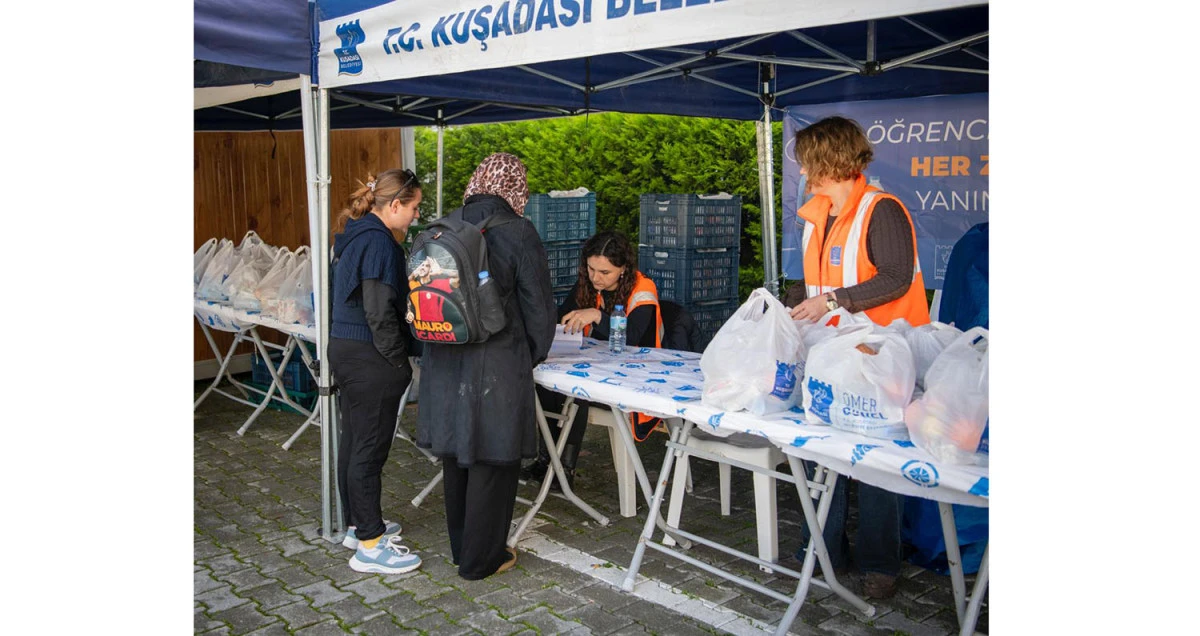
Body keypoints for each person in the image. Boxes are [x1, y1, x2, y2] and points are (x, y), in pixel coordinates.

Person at [787, 116, 931, 599]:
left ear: (831, 162)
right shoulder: (818, 213)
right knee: (820, 451)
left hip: (881, 352)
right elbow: (818, 280)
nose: (804, 174)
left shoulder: (881, 209)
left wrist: (830, 302)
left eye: (810, 164)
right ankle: (823, 548)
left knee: (874, 461)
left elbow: (893, 278)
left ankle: (879, 564)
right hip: (830, 353)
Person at [415, 153, 557, 580]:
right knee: (495, 459)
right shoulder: (519, 230)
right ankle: (483, 559)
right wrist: (530, 354)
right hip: (496, 358)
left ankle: (463, 549)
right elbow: (539, 308)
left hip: (444, 355)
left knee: (457, 453)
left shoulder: (442, 225)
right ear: (515, 188)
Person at [329, 168, 424, 574]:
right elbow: (379, 310)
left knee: (354, 441)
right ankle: (369, 544)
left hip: (345, 348)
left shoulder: (355, 233)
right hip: (369, 355)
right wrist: (398, 362)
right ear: (395, 204)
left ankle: (357, 525)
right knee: (368, 449)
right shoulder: (380, 243)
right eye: (415, 207)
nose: (416, 216)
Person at [523, 230, 663, 488]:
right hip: (598, 364)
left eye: (605, 273)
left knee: (576, 393)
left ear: (623, 269)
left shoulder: (643, 289)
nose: (596, 278)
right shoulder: (587, 284)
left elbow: (632, 337)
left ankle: (565, 470)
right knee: (546, 385)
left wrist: (597, 316)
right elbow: (562, 317)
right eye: (591, 269)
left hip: (637, 374)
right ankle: (546, 460)